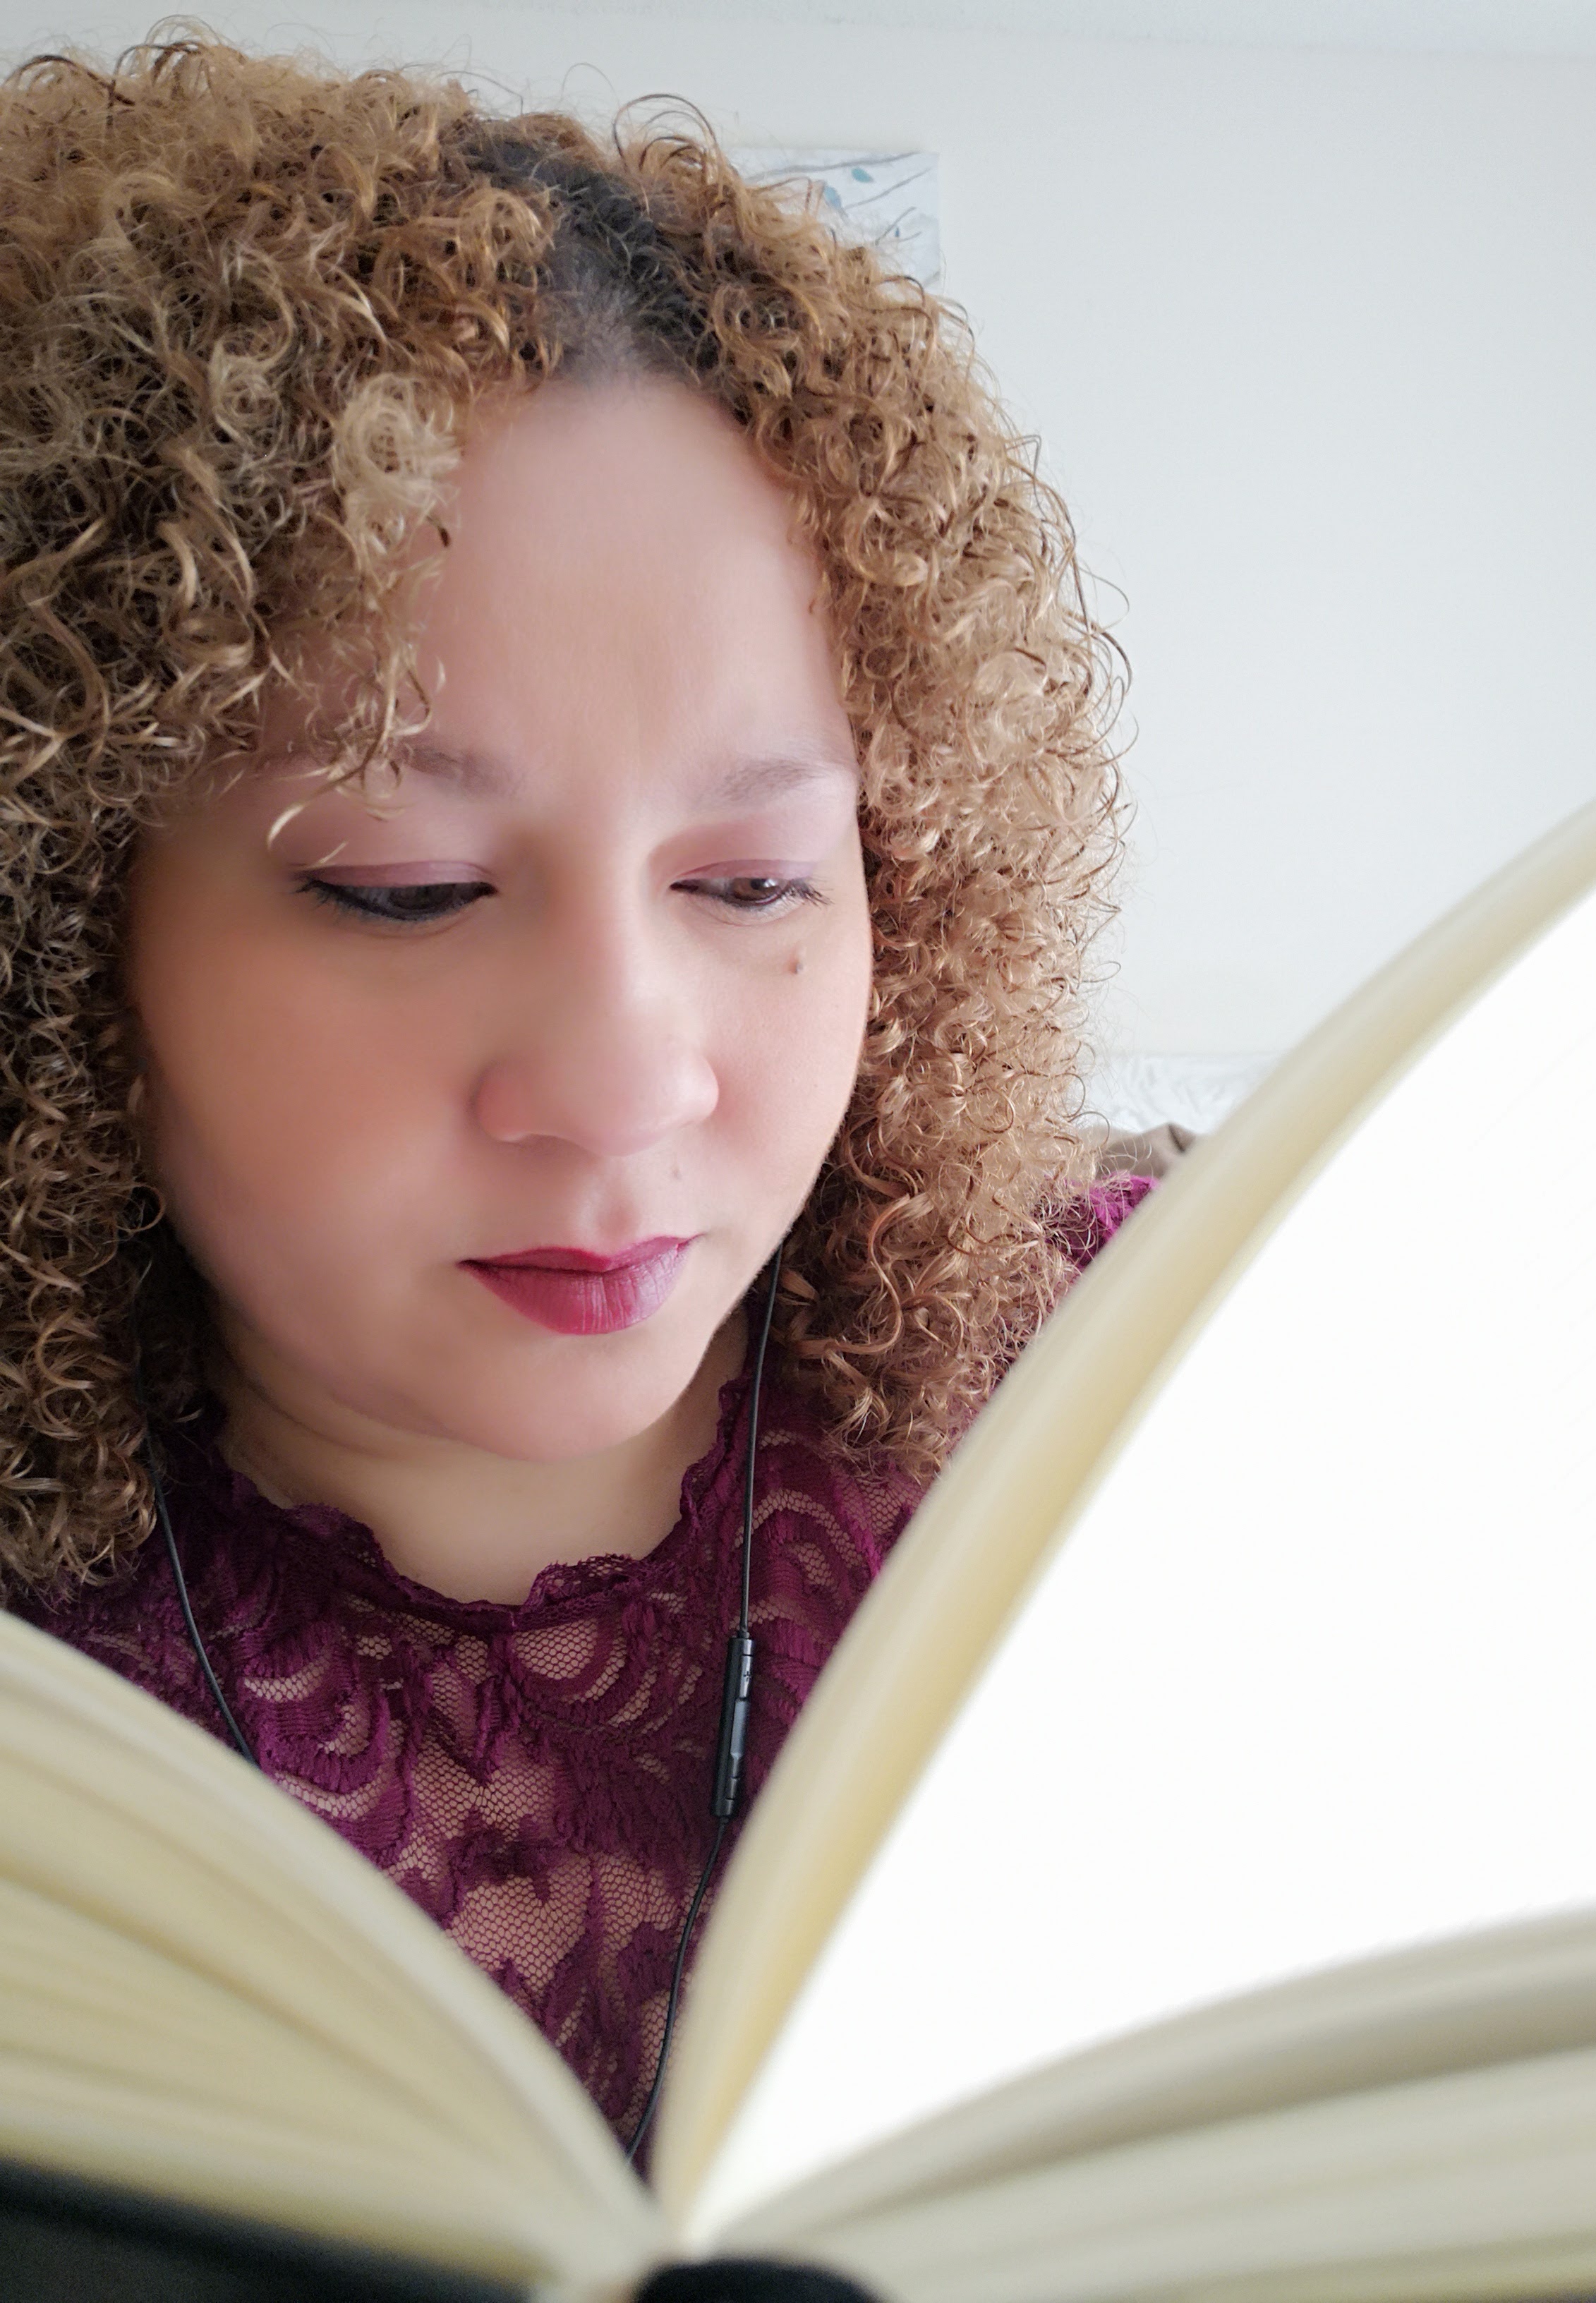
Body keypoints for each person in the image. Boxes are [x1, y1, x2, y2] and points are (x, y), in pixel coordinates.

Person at [0, 38, 1143, 2148]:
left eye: (754, 882)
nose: (628, 1083)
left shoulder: (1173, 1384)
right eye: (406, 888)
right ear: (59, 933)